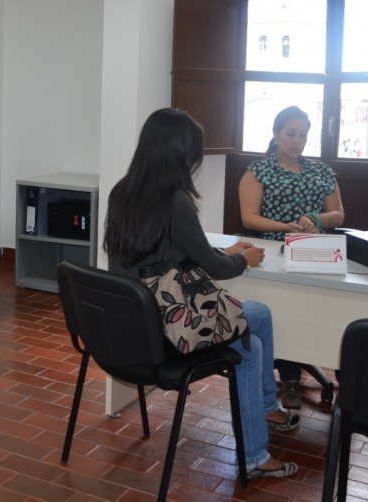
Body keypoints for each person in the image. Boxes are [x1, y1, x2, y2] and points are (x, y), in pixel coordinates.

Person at [104, 108, 299, 480]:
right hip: (166, 328)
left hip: (134, 321)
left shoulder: (123, 190)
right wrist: (244, 259)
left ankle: (265, 408)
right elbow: (216, 270)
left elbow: (171, 254)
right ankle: (256, 457)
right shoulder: (175, 200)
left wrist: (222, 253)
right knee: (250, 345)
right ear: (180, 153)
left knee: (259, 316)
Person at [238, 105, 345, 409]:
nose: (297, 141)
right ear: (275, 134)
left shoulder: (322, 171)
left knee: (330, 311)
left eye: (302, 135)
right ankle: (289, 379)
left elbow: (338, 213)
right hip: (275, 253)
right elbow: (249, 218)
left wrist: (315, 218)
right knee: (286, 313)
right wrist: (286, 227)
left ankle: (338, 366)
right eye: (290, 134)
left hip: (316, 254)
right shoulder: (258, 171)